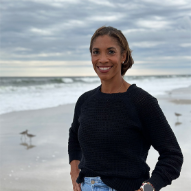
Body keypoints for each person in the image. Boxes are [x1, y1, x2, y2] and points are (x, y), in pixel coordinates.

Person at [68, 26, 183, 191]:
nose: (102, 59)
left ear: (123, 56)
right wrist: (74, 172)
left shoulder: (141, 101)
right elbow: (74, 137)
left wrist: (149, 188)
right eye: (96, 52)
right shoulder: (85, 101)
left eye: (111, 52)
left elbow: (172, 155)